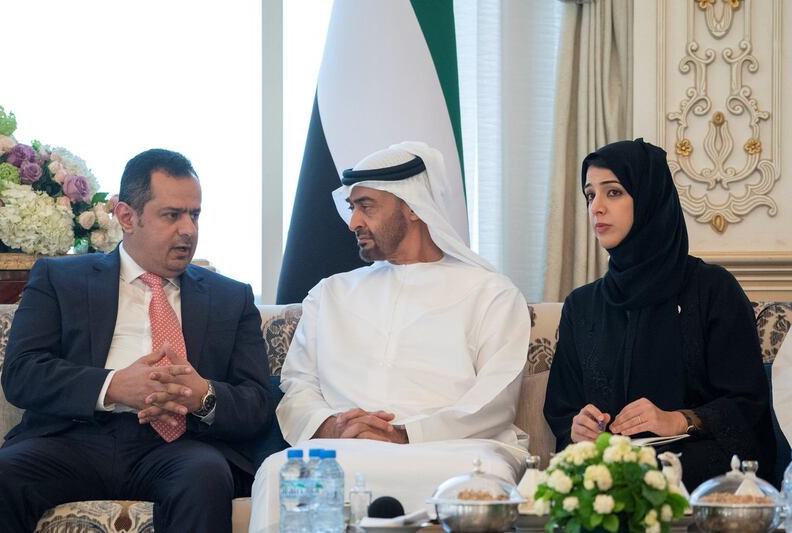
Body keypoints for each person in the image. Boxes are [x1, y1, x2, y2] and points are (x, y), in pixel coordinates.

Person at [249, 142, 531, 531]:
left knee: (484, 482)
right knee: (281, 472)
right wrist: (332, 428)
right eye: (352, 208)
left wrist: (404, 435)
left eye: (367, 206)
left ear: (413, 206)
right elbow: (298, 384)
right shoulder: (330, 293)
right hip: (342, 451)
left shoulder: (491, 293)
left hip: (456, 452)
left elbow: (495, 399)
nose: (353, 223)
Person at [0, 149, 274, 532]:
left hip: (180, 446)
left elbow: (257, 402)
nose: (188, 230)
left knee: (206, 475)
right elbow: (22, 373)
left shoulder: (231, 297)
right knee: (0, 474)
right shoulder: (60, 279)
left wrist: (202, 396)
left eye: (195, 215)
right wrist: (112, 386)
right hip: (73, 438)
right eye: (172, 215)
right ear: (127, 216)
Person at [543, 138, 775, 489]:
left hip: (700, 479)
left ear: (650, 198)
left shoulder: (712, 290)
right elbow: (563, 410)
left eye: (614, 192)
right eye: (590, 195)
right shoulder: (582, 306)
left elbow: (748, 407)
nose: (597, 208)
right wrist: (578, 428)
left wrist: (679, 420)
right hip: (605, 480)